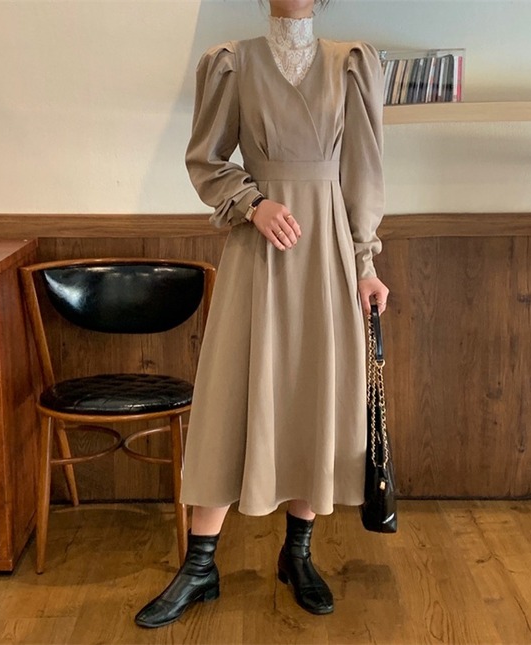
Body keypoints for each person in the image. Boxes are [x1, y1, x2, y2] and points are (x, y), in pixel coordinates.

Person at [134, 0, 389, 628]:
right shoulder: (231, 63)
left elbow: (363, 172)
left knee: (312, 395)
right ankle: (199, 565)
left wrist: (365, 263)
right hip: (258, 253)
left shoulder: (351, 64)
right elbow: (205, 159)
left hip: (327, 253)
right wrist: (252, 203)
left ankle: (297, 554)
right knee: (230, 397)